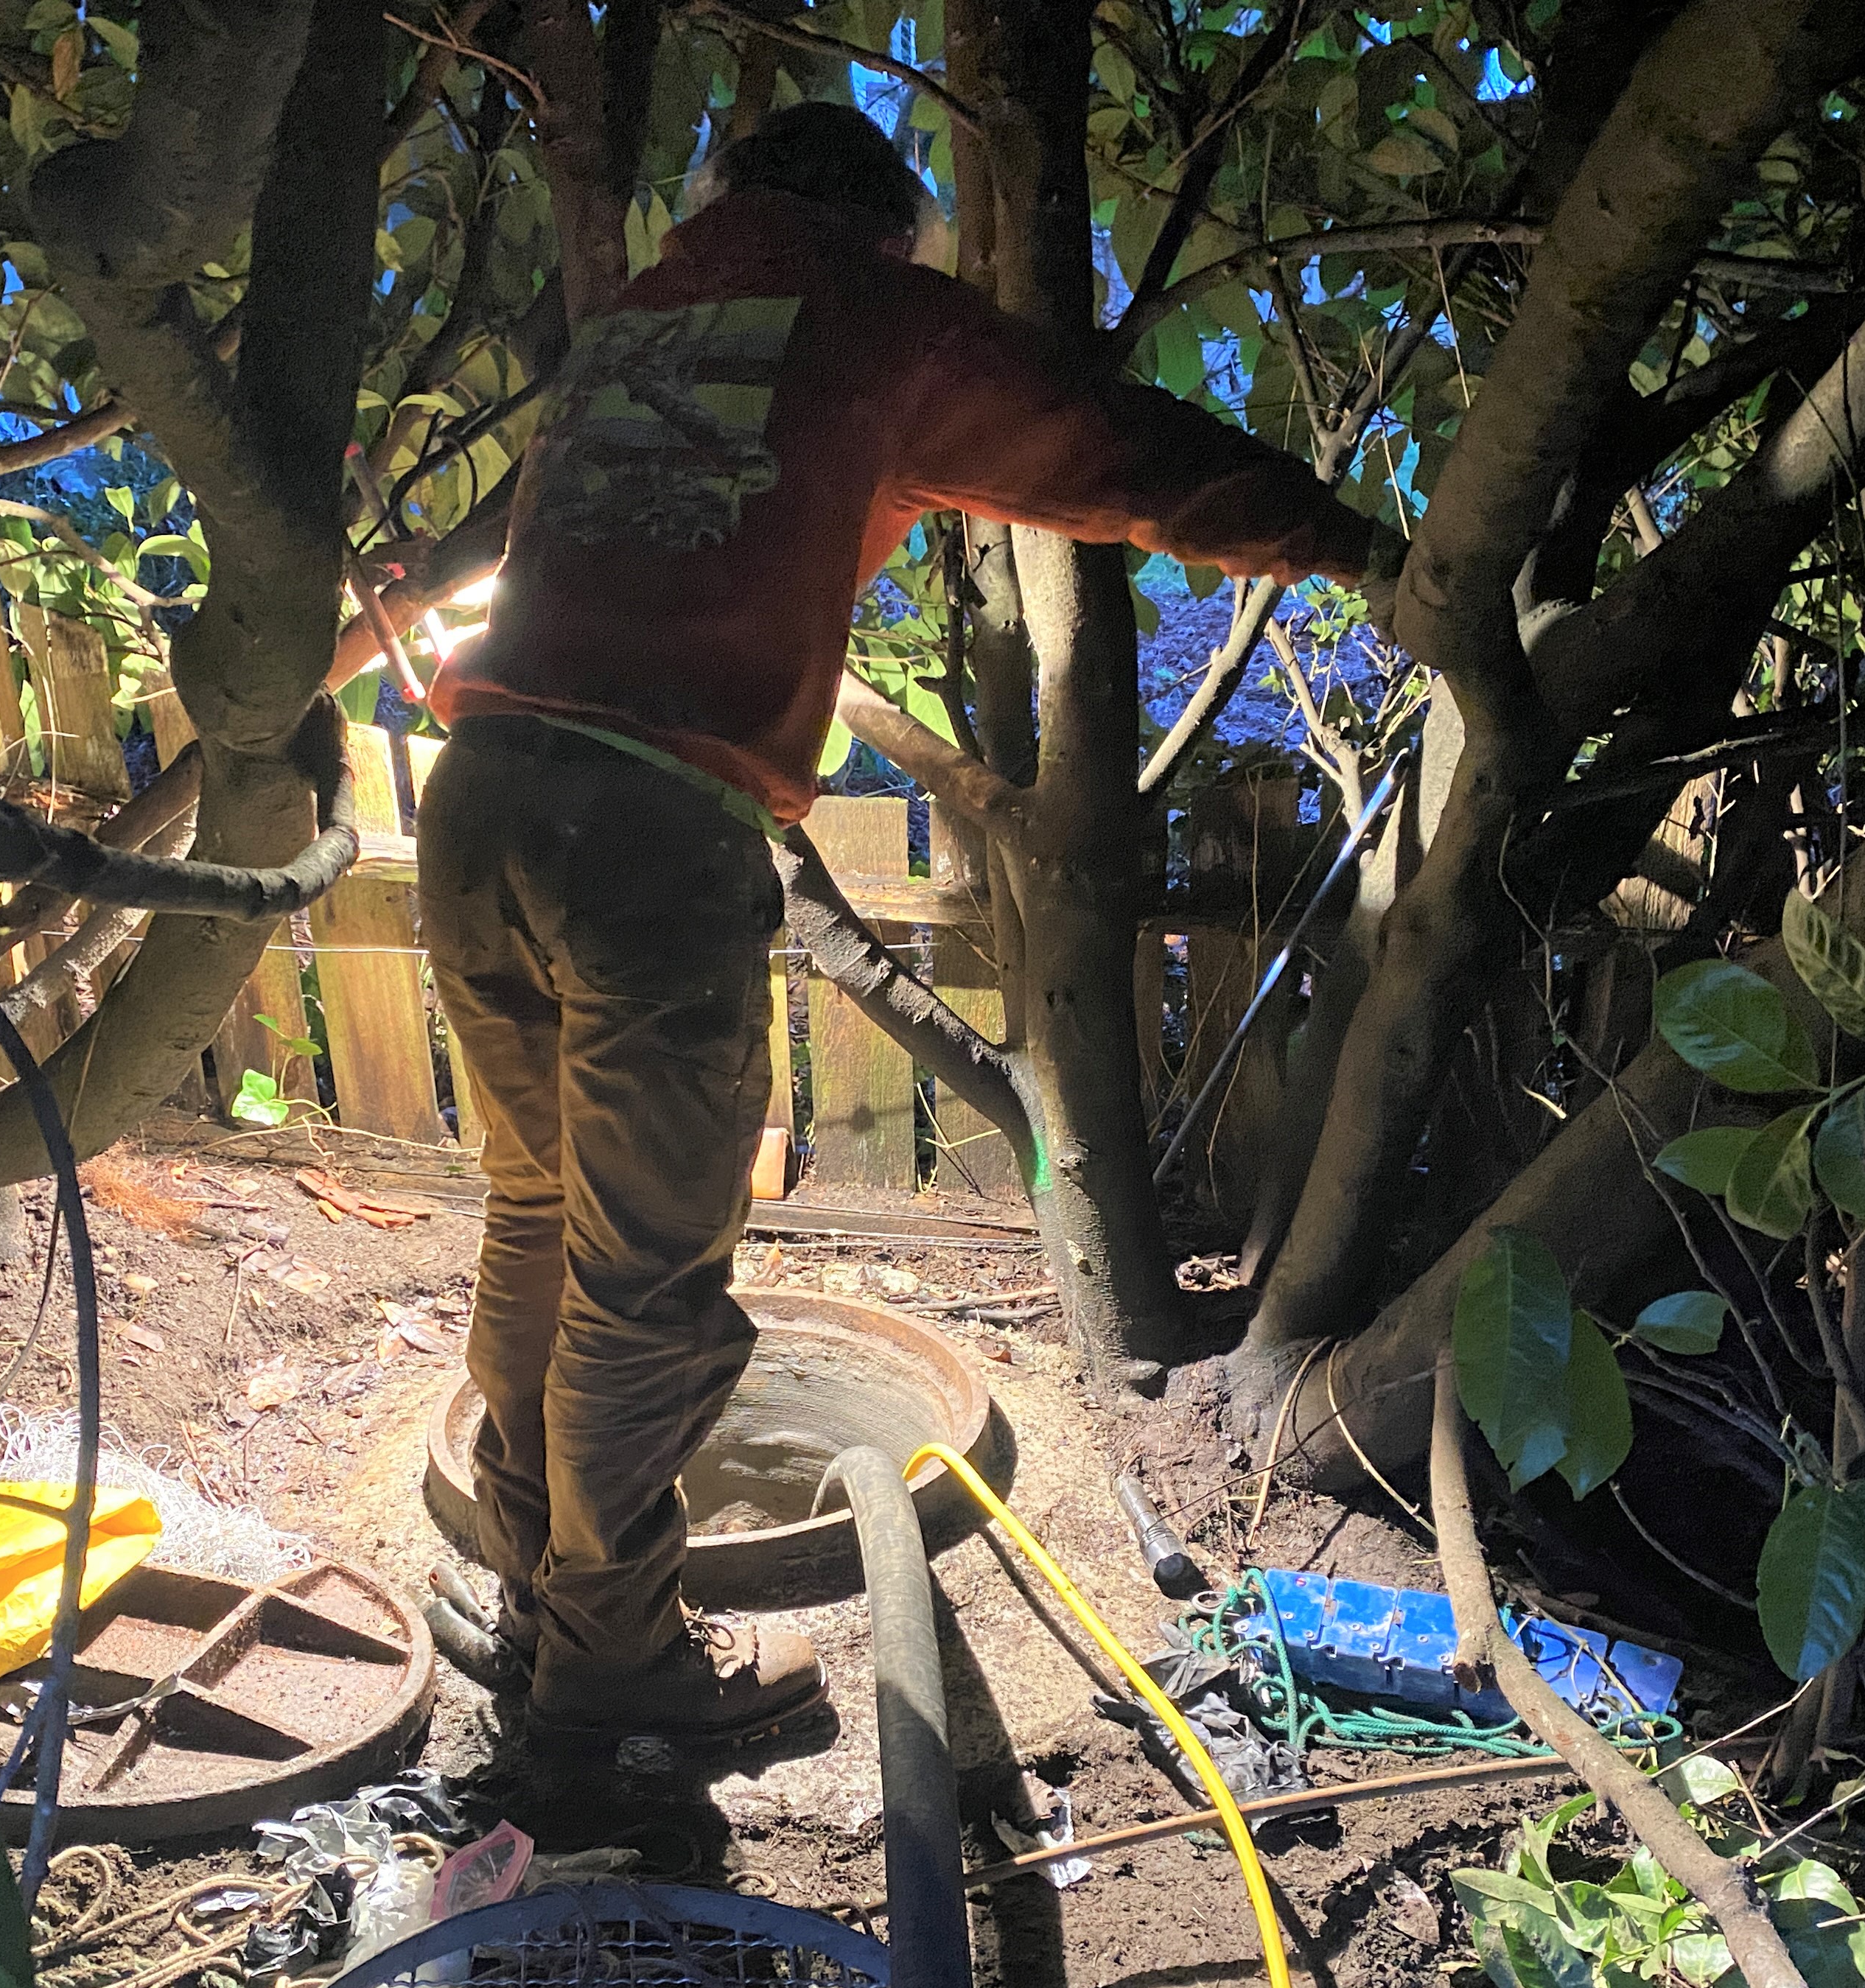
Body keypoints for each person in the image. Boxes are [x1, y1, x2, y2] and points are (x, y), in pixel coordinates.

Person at [410, 101, 1388, 1744]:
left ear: (721, 198)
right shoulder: (869, 312)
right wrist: (1359, 545)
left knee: (532, 1220)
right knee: (646, 1287)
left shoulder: (644, 321)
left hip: (482, 793)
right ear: (889, 230)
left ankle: (542, 1594)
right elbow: (1117, 450)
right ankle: (613, 1685)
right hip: (646, 837)